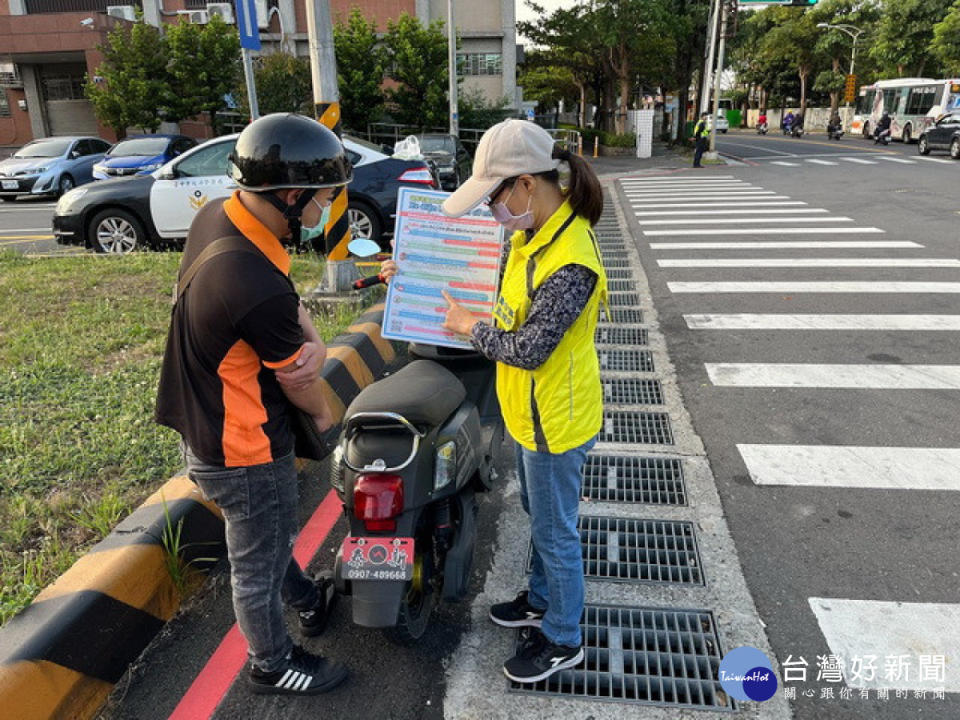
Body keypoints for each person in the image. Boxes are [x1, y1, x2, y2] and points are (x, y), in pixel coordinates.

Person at [387, 119, 608, 684]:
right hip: (530, 415)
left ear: (527, 185)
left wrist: (470, 328)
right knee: (540, 518)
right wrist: (408, 271)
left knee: (557, 532)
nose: (493, 212)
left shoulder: (571, 259)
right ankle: (540, 599)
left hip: (557, 419)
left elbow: (530, 348)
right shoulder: (531, 236)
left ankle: (563, 637)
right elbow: (477, 280)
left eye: (495, 197)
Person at [155, 113, 351, 696]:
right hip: (242, 447)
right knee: (257, 561)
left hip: (203, 421)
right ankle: (272, 663)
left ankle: (305, 597)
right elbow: (301, 384)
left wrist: (311, 345)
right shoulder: (249, 279)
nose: (323, 211)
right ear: (290, 197)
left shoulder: (224, 215)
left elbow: (286, 311)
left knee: (263, 539)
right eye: (319, 199)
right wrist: (327, 415)